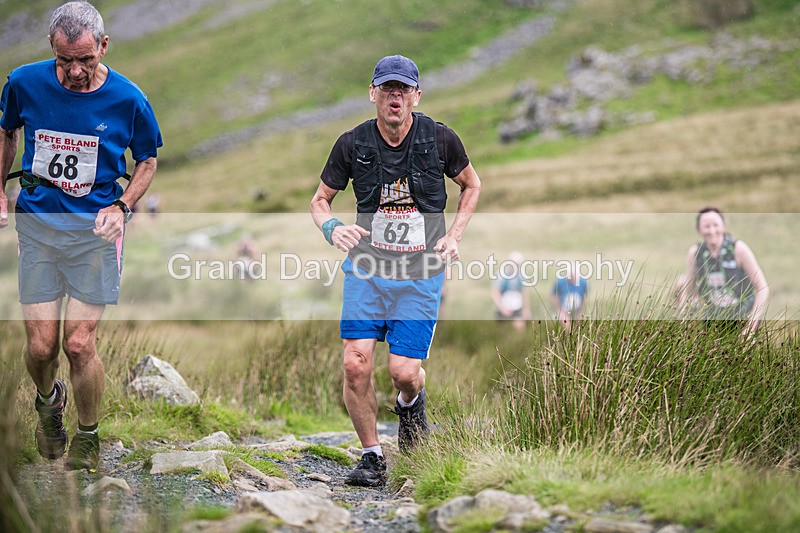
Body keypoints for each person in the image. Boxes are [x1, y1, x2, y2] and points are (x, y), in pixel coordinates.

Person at [0, 1, 162, 472]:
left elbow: (147, 160)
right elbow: (7, 132)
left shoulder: (129, 99)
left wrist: (123, 206)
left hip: (95, 232)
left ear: (103, 47)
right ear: (53, 46)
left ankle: (88, 437)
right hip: (39, 228)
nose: (74, 71)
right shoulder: (24, 82)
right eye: (65, 59)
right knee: (39, 348)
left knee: (78, 344)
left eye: (85, 60)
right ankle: (49, 401)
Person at [310, 55, 481, 487]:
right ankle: (372, 458)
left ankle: (412, 403)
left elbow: (472, 185)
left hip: (421, 272)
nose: (395, 97)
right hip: (366, 268)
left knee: (403, 372)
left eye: (403, 89)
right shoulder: (351, 144)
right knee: (355, 363)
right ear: (373, 94)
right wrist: (332, 228)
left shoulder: (441, 139)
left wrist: (454, 235)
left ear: (416, 96)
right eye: (387, 88)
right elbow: (319, 201)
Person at [677, 207, 768, 339]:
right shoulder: (696, 253)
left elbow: (763, 288)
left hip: (743, 318)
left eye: (716, 225)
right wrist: (682, 318)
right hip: (712, 321)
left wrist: (751, 327)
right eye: (706, 226)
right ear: (699, 229)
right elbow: (688, 289)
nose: (712, 230)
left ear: (724, 225)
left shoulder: (738, 249)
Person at [491, 251, 531, 332]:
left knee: (519, 326)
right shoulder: (501, 275)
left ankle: (518, 342)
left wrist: (526, 309)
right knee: (502, 330)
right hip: (502, 307)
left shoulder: (520, 276)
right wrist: (502, 308)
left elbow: (523, 293)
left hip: (517, 307)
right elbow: (495, 293)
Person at [551, 263, 588, 333]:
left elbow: (585, 296)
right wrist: (560, 310)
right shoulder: (560, 282)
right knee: (567, 324)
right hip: (563, 310)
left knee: (580, 324)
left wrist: (580, 311)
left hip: (577, 311)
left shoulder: (583, 283)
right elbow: (553, 295)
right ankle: (569, 340)